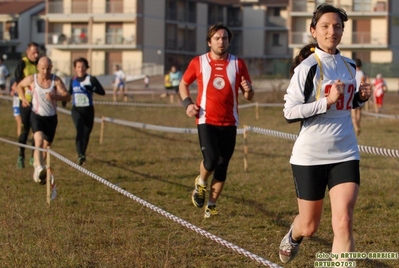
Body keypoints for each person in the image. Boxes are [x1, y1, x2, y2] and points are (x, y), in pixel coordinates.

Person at [279, 4, 372, 264]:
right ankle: (293, 236)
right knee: (309, 226)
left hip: (346, 151)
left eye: (338, 26)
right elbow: (289, 112)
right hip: (310, 155)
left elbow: (348, 103)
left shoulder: (349, 65)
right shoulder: (307, 67)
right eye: (326, 26)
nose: (333, 31)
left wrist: (360, 98)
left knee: (344, 220)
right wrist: (326, 101)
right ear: (314, 31)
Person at [179, 22, 254, 218]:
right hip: (206, 119)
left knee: (222, 166)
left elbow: (249, 96)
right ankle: (201, 183)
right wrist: (187, 103)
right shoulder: (199, 62)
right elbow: (183, 84)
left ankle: (211, 205)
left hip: (230, 122)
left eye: (224, 38)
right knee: (211, 160)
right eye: (217, 38)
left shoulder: (238, 64)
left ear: (229, 42)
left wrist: (248, 89)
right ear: (209, 42)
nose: (221, 41)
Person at [17, 56, 71, 184]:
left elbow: (67, 97)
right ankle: (40, 168)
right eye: (43, 68)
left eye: (48, 69)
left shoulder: (55, 80)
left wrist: (55, 96)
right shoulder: (32, 79)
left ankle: (38, 167)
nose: (45, 72)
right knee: (38, 141)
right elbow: (19, 86)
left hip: (51, 118)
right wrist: (23, 98)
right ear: (38, 67)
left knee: (46, 147)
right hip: (36, 115)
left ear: (51, 68)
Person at [69, 57, 105, 165]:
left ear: (86, 67)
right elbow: (69, 92)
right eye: (78, 67)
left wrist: (92, 88)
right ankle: (80, 154)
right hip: (76, 109)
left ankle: (83, 154)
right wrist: (64, 100)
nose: (81, 69)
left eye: (83, 66)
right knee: (79, 130)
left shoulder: (91, 79)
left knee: (86, 133)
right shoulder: (73, 80)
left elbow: (102, 92)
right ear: (75, 68)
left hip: (88, 110)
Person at [15, 42, 40, 169]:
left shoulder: (40, 64)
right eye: (33, 52)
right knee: (25, 129)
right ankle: (21, 155)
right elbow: (18, 84)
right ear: (27, 52)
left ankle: (33, 156)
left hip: (38, 103)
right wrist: (24, 98)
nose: (36, 55)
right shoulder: (22, 63)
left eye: (37, 52)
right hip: (25, 102)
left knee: (36, 131)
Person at [351, 59, 367, 136]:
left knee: (353, 111)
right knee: (359, 110)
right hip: (360, 94)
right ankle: (358, 122)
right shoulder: (363, 73)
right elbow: (366, 82)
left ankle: (356, 127)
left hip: (353, 93)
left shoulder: (352, 72)